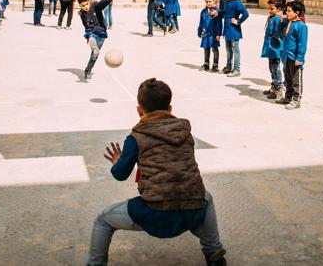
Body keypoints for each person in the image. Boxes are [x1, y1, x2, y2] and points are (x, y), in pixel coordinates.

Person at [87, 78, 227, 266]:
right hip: (192, 211)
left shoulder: (136, 137)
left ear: (139, 111)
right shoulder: (186, 132)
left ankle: (95, 264)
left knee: (103, 220)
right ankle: (214, 254)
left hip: (155, 214)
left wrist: (117, 161)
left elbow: (120, 174)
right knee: (206, 197)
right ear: (170, 108)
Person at [275, 1, 308, 110]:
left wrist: (299, 58)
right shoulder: (288, 22)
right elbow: (278, 33)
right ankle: (288, 97)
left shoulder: (301, 26)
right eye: (286, 11)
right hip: (286, 56)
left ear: (297, 12)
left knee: (295, 80)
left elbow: (302, 44)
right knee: (288, 79)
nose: (287, 13)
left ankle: (296, 100)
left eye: (289, 11)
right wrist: (281, 22)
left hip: (294, 58)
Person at [77, 0, 117, 80]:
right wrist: (88, 36)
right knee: (91, 35)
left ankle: (88, 70)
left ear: (89, 2)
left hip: (101, 32)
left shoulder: (95, 6)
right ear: (80, 6)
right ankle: (91, 40)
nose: (86, 7)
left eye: (87, 4)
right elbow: (85, 25)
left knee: (95, 54)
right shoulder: (82, 13)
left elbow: (101, 4)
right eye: (83, 5)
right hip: (91, 31)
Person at [220, 0, 249, 77]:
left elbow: (246, 13)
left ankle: (236, 69)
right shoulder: (228, 1)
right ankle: (229, 67)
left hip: (234, 31)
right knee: (228, 50)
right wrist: (217, 12)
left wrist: (238, 21)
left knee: (235, 50)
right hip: (227, 31)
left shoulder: (237, 2)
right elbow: (226, 12)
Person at [261, 0, 285, 101]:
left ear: (279, 9)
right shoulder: (272, 17)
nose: (269, 10)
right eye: (269, 8)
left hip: (275, 47)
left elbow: (279, 31)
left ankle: (278, 89)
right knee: (271, 67)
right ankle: (274, 87)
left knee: (275, 67)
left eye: (272, 8)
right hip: (270, 46)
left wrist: (276, 36)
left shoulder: (277, 19)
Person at [196, 0, 222, 72]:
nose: (208, 3)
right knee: (206, 48)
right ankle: (206, 63)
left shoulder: (216, 11)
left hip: (214, 33)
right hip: (206, 33)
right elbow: (201, 22)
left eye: (210, 1)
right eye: (207, 1)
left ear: (213, 1)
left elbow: (219, 24)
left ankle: (215, 65)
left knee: (215, 49)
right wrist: (199, 31)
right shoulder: (203, 12)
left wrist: (218, 34)